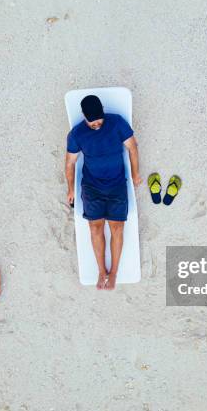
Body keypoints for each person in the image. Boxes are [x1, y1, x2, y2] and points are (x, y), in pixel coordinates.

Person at [65, 95, 142, 290]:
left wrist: (135, 174)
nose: (97, 123)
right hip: (92, 186)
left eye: (99, 119)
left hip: (117, 184)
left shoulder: (116, 122)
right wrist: (70, 189)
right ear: (84, 117)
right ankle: (101, 271)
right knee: (95, 228)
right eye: (92, 121)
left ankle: (114, 272)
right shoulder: (76, 134)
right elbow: (70, 163)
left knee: (117, 228)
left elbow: (133, 148)